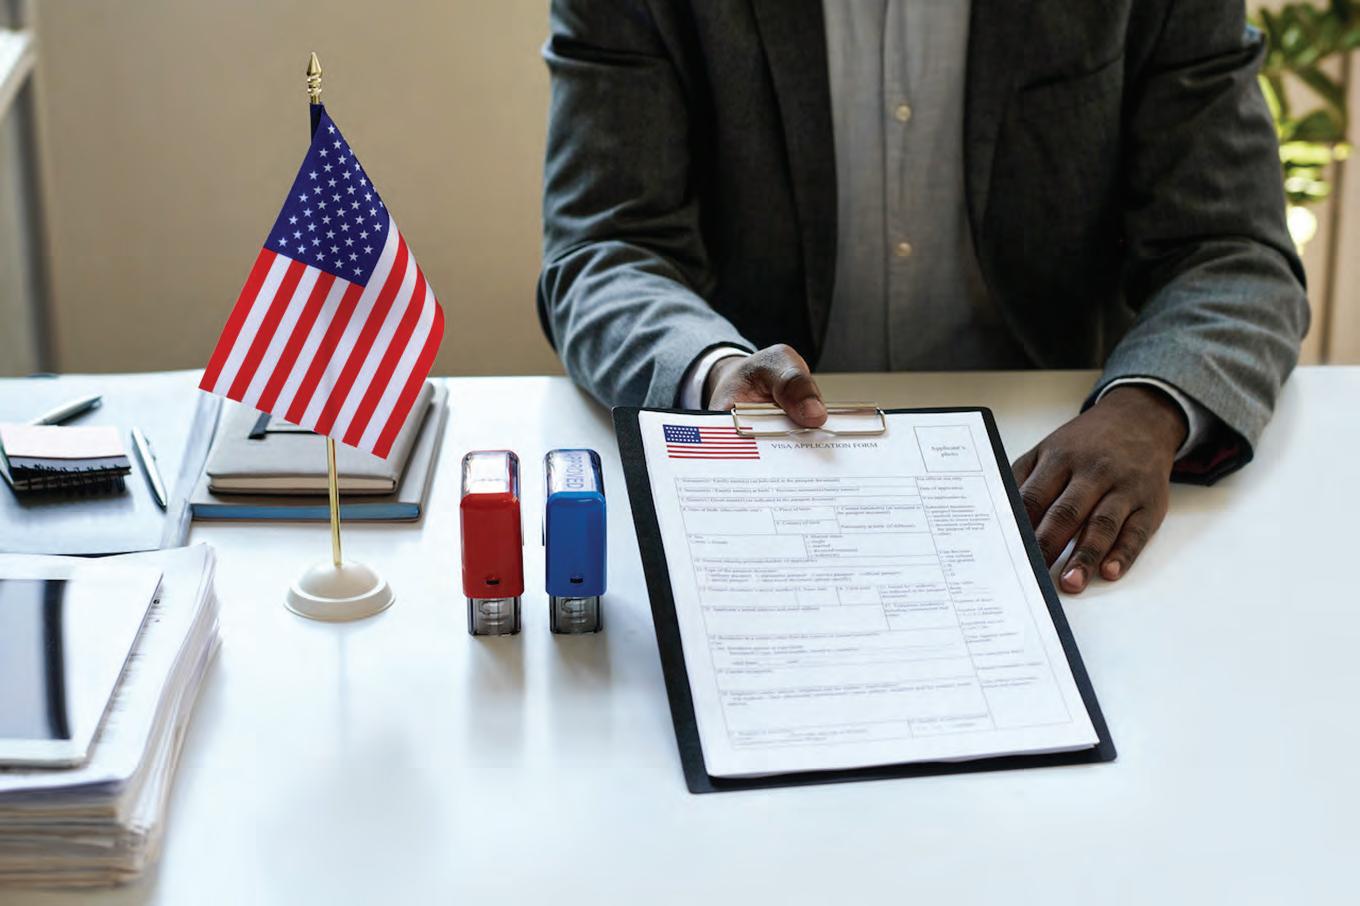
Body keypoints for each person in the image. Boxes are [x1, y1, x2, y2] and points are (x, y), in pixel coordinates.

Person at [536, 0, 1308, 593]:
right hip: (770, 476)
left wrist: (1150, 406)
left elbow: (1231, 247)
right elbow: (606, 248)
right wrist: (711, 372)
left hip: (1053, 457)